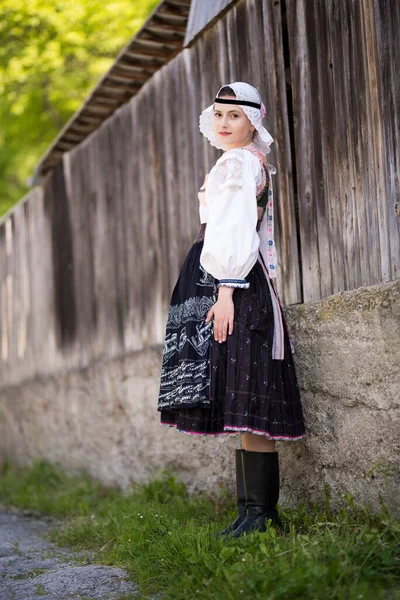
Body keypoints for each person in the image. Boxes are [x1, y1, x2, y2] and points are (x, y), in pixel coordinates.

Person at [157, 81, 305, 538]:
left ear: (252, 121)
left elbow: (237, 229)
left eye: (234, 116)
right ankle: (250, 514)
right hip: (229, 278)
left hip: (233, 282)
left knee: (249, 390)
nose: (224, 123)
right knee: (240, 396)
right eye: (219, 114)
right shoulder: (236, 161)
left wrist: (226, 290)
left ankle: (261, 516)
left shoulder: (241, 163)